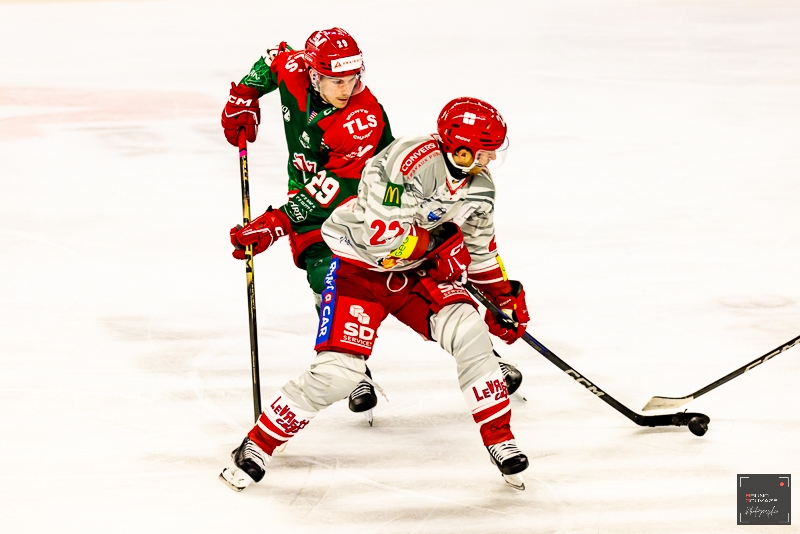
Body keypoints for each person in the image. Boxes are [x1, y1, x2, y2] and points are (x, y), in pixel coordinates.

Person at [220, 97, 532, 491]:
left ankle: (500, 440)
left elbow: (481, 248)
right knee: (337, 374)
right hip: (360, 273)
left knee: (470, 329)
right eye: (484, 153)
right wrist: (439, 248)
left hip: (418, 278)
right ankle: (256, 446)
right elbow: (381, 236)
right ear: (461, 147)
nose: (488, 162)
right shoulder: (408, 160)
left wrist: (502, 297)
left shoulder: (480, 189)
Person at [221, 28, 394, 418]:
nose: (347, 87)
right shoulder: (296, 67)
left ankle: (485, 357)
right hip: (310, 198)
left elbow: (338, 185)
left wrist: (278, 221)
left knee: (411, 283)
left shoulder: (361, 118)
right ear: (313, 74)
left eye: (353, 78)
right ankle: (351, 367)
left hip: (367, 204)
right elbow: (272, 60)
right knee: (325, 276)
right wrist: (244, 95)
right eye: (337, 79)